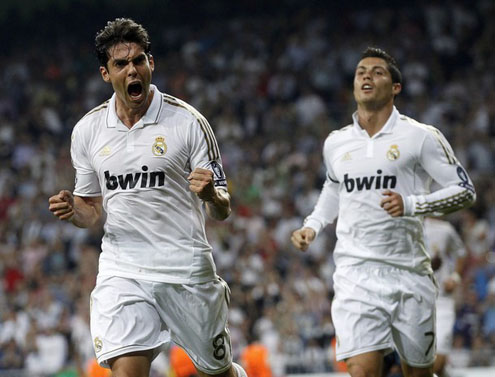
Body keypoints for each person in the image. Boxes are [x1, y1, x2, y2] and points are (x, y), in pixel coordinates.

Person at [48, 18, 247, 377]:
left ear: (150, 64)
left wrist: (210, 195)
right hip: (123, 269)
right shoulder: (88, 130)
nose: (132, 69)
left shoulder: (187, 122)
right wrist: (73, 210)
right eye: (121, 64)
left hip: (185, 269)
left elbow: (222, 209)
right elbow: (91, 211)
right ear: (105, 74)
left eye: (139, 60)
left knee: (216, 373)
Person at [291, 47, 476, 377]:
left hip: (409, 272)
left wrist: (412, 205)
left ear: (395, 88)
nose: (366, 75)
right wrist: (314, 225)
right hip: (354, 272)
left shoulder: (420, 137)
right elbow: (334, 188)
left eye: (377, 72)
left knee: (420, 372)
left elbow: (465, 191)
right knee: (362, 371)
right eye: (361, 71)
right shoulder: (336, 142)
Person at [424, 217, 466, 376]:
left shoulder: (443, 229)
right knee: (427, 364)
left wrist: (455, 278)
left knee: (439, 358)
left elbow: (461, 253)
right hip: (414, 300)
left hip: (442, 300)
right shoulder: (402, 225)